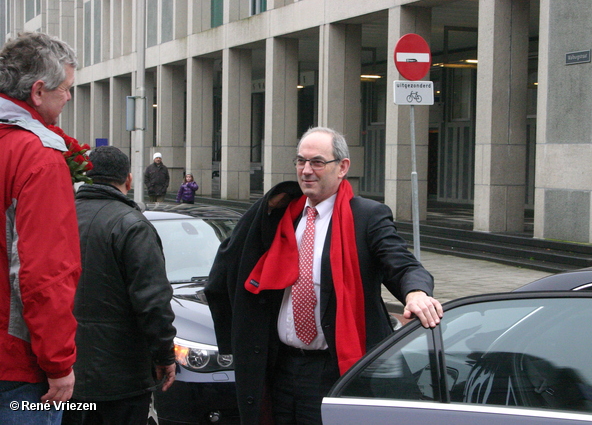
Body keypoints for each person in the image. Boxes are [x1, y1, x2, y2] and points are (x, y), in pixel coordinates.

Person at [205, 126, 443, 424]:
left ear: (342, 167)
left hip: (335, 369)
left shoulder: (367, 217)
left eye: (317, 162)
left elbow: (402, 264)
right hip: (279, 367)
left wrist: (416, 292)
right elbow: (229, 265)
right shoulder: (277, 214)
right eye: (300, 161)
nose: (306, 170)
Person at [0, 32, 82, 424]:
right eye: (66, 89)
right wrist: (58, 362)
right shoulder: (38, 159)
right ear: (37, 91)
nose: (68, 98)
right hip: (14, 365)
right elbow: (43, 273)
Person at [64, 146, 177, 424]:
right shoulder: (132, 225)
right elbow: (153, 300)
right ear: (128, 180)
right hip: (121, 378)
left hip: (65, 371)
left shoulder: (61, 217)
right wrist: (164, 355)